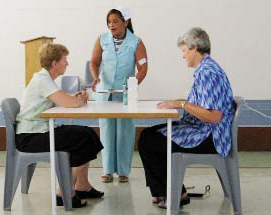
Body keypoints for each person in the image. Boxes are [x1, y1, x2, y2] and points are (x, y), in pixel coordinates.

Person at [138, 27, 234, 209]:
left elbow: (214, 116)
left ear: (195, 47)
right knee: (148, 135)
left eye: (184, 50)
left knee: (149, 140)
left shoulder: (208, 73)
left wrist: (181, 104)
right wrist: (180, 103)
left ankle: (176, 194)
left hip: (210, 137)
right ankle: (164, 191)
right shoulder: (206, 68)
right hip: (203, 130)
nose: (182, 55)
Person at [15, 43, 104, 208]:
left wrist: (74, 98)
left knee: (87, 134)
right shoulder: (43, 80)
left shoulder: (45, 79)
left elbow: (61, 99)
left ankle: (82, 186)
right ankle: (64, 192)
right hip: (30, 137)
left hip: (37, 131)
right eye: (64, 60)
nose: (67, 63)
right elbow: (69, 103)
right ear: (55, 64)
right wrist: (78, 100)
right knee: (84, 137)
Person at [90, 7, 148, 183]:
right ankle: (107, 170)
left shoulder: (136, 42)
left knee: (125, 131)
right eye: (109, 22)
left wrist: (134, 84)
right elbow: (94, 62)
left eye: (115, 21)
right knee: (106, 131)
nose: (111, 25)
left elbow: (143, 67)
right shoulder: (102, 39)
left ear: (126, 22)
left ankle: (123, 171)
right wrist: (95, 79)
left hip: (125, 94)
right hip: (105, 92)